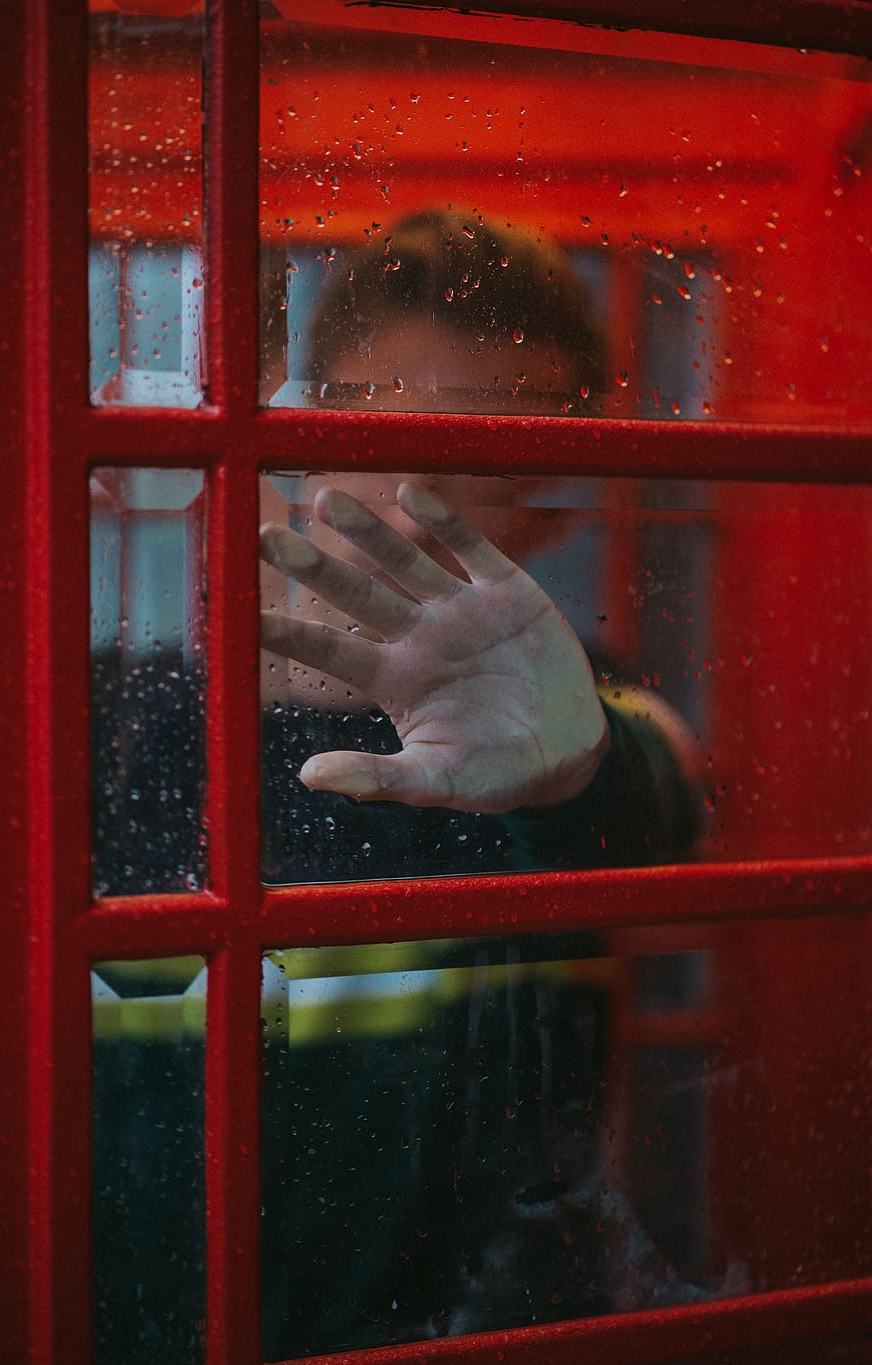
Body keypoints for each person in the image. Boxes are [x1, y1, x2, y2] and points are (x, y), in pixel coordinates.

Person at [257, 211, 706, 1356]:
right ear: (303, 442)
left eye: (478, 465)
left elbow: (653, 796)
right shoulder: (113, 718)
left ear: (554, 502)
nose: (415, 502)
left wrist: (576, 766)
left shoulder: (581, 727)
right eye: (380, 436)